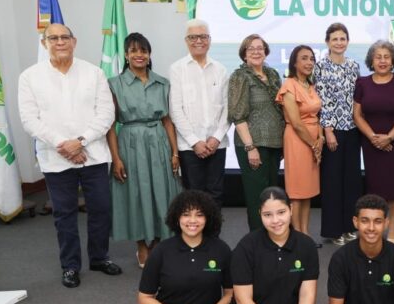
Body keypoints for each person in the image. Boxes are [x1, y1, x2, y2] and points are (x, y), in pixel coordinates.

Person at [18, 23, 122, 288]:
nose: (60, 42)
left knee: (100, 209)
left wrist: (81, 141)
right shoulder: (30, 77)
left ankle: (99, 257)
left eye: (65, 37)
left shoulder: (94, 73)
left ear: (74, 42)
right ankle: (70, 266)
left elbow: (106, 114)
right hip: (56, 158)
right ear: (45, 43)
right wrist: (63, 145)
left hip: (94, 154)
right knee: (64, 214)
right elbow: (29, 120)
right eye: (53, 38)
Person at [224, 186, 319, 304]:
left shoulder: (306, 246)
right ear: (260, 214)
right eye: (268, 215)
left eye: (281, 212)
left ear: (291, 209)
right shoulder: (246, 247)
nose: (275, 221)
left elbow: (307, 294)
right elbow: (243, 300)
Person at [138, 190, 233, 304]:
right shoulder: (162, 251)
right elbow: (144, 298)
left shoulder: (221, 250)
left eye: (199, 215)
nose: (192, 220)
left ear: (208, 218)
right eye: (186, 214)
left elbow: (231, 295)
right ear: (177, 217)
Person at [107, 32, 181, 268]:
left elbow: (168, 120)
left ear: (149, 55)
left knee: (163, 193)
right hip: (130, 142)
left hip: (158, 141)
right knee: (135, 194)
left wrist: (175, 152)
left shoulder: (162, 83)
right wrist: (116, 158)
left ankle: (159, 244)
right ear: (127, 56)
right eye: (134, 51)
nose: (139, 55)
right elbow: (110, 125)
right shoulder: (114, 84)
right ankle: (141, 244)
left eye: (144, 51)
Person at [353, 41, 394, 243]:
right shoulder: (362, 83)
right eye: (378, 57)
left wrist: (389, 137)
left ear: (393, 60)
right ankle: (374, 227)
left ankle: (393, 227)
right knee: (375, 186)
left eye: (386, 56)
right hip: (371, 144)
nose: (382, 61)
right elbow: (357, 115)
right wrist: (373, 137)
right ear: (371, 60)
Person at [169, 19, 230, 207]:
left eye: (203, 36)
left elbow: (228, 109)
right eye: (193, 37)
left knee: (216, 194)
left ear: (209, 40)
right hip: (189, 146)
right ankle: (195, 237)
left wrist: (217, 137)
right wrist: (195, 141)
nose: (199, 41)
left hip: (216, 145)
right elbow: (175, 109)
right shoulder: (177, 69)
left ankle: (213, 236)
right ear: (186, 41)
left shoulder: (221, 69)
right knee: (193, 196)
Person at [228, 34, 285, 232]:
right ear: (244, 54)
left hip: (274, 144)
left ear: (266, 51)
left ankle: (272, 236)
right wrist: (250, 147)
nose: (256, 51)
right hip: (252, 145)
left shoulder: (273, 74)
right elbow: (237, 114)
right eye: (251, 48)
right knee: (256, 198)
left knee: (272, 196)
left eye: (260, 48)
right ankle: (257, 241)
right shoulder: (240, 76)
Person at [314, 23, 362, 246]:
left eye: (343, 38)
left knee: (351, 181)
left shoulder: (354, 66)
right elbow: (322, 102)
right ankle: (334, 231)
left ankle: (349, 227)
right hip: (332, 131)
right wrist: (328, 131)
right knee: (333, 182)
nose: (339, 43)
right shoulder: (320, 66)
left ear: (348, 41)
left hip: (353, 130)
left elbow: (357, 99)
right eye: (335, 39)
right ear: (327, 42)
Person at [276, 45, 323, 243]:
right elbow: (296, 122)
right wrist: (313, 144)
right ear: (294, 62)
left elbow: (317, 116)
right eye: (304, 58)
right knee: (296, 191)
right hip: (297, 140)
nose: (309, 62)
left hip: (314, 140)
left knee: (308, 190)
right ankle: (296, 236)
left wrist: (320, 139)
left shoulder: (311, 85)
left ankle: (305, 233)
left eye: (312, 58)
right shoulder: (289, 85)